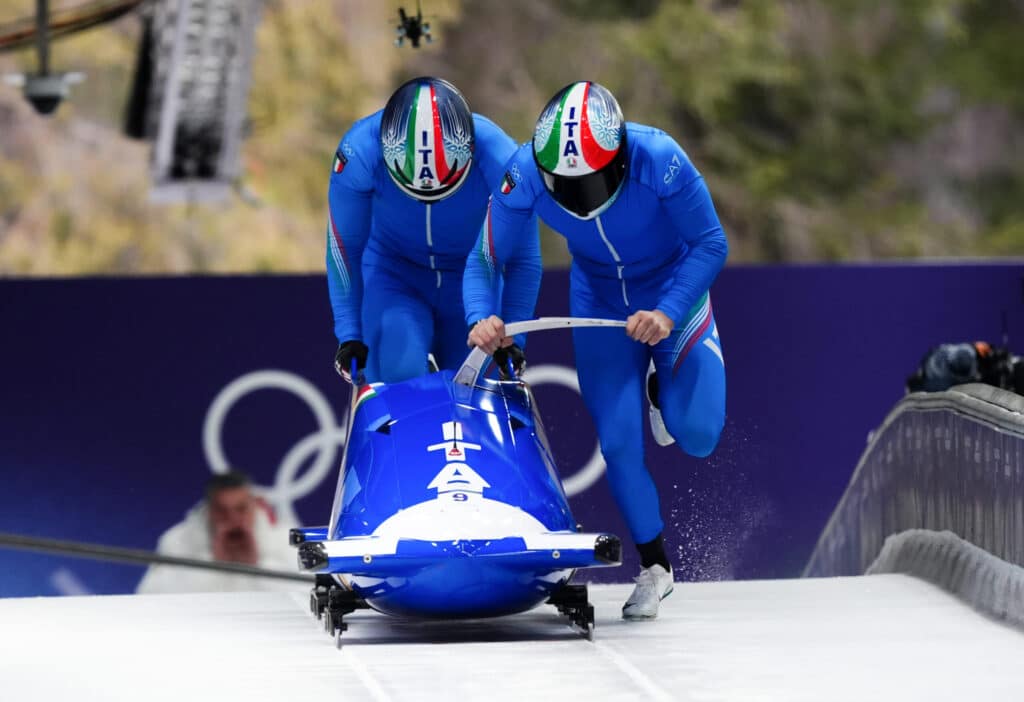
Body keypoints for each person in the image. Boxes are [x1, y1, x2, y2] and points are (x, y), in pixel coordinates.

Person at [464, 81, 728, 619]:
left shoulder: (659, 157)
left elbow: (710, 243)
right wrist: (480, 316)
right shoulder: (524, 172)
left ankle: (662, 390)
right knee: (619, 444)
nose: (579, 197)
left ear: (620, 159)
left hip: (671, 293)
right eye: (565, 186)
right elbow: (485, 257)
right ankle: (656, 567)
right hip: (599, 299)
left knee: (699, 436)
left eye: (592, 182)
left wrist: (669, 311)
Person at [327, 76, 534, 384]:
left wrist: (513, 338)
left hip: (471, 279)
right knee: (401, 366)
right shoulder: (359, 151)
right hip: (394, 276)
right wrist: (349, 334)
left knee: (467, 392)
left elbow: (524, 259)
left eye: (445, 190)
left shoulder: (500, 156)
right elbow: (344, 247)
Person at [136, 471, 297, 594]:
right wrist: (212, 564)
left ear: (254, 505)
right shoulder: (175, 540)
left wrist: (257, 566)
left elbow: (310, 597)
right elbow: (147, 596)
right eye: (222, 510)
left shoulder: (292, 536)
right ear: (209, 510)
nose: (233, 518)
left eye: (241, 509)